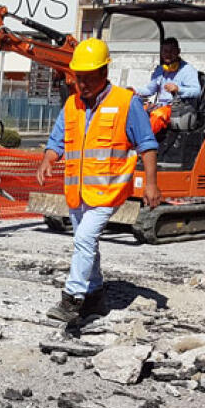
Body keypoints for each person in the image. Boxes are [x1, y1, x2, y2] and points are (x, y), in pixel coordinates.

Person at [36, 38, 162, 322]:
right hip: (78, 192)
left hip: (108, 190)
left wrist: (151, 184)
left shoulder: (125, 103)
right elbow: (57, 140)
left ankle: (72, 298)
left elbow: (147, 144)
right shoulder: (72, 105)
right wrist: (48, 159)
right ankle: (94, 297)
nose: (83, 85)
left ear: (104, 73)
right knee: (86, 243)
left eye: (89, 79)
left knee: (84, 238)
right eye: (79, 79)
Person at [133, 37, 201, 107]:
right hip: (161, 108)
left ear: (178, 51)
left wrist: (178, 89)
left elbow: (196, 91)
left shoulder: (187, 70)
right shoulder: (160, 69)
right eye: (165, 51)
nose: (168, 54)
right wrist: (134, 90)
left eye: (171, 51)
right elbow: (150, 90)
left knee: (155, 116)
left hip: (178, 110)